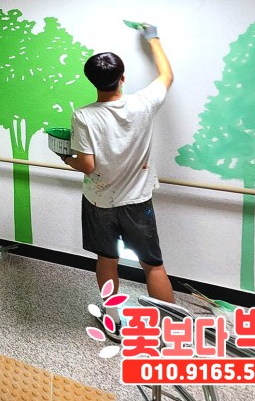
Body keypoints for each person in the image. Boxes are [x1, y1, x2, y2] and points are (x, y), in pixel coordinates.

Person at [59, 23, 174, 336]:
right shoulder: (143, 102)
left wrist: (66, 158)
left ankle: (113, 322)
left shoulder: (84, 115)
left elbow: (86, 165)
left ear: (91, 81)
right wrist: (152, 38)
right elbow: (166, 75)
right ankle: (171, 330)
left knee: (107, 259)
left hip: (99, 203)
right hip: (138, 202)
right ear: (122, 78)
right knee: (153, 265)